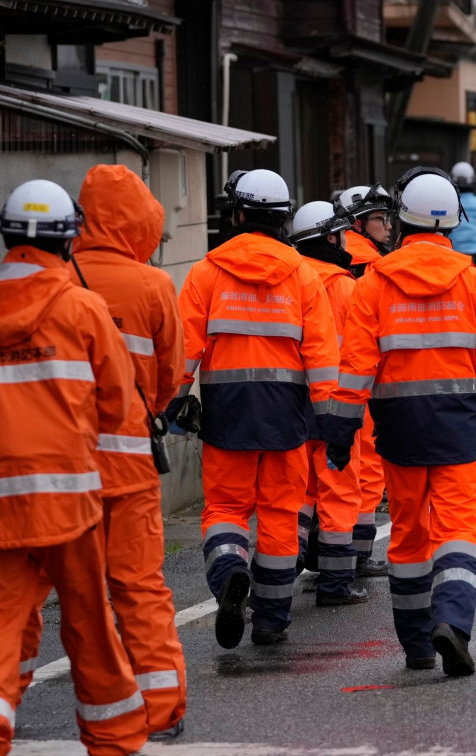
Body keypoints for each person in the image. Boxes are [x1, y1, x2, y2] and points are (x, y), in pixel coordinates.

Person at [0, 180, 146, 756]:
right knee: (88, 626)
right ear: (67, 241)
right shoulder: (80, 307)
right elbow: (117, 403)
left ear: (6, 233)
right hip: (69, 498)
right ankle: (114, 742)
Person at [323, 167, 476, 676]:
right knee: (459, 529)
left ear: (402, 221)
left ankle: (416, 646)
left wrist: (342, 433)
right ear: (452, 224)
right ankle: (452, 622)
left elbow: (356, 366)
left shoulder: (374, 285)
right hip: (456, 431)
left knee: (409, 536)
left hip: (399, 432)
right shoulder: (475, 284)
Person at [13, 165, 186, 739]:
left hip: (59, 466)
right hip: (130, 463)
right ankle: (160, 709)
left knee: (31, 591)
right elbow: (168, 378)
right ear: (142, 220)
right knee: (137, 585)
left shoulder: (55, 281)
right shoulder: (155, 285)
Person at [169, 169, 339, 648]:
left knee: (225, 508)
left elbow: (185, 350)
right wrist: (328, 417)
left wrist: (173, 402)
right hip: (288, 416)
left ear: (238, 214)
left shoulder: (207, 272)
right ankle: (270, 620)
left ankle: (228, 576)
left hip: (227, 413)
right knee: (282, 516)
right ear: (283, 219)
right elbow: (323, 355)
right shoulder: (304, 275)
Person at [289, 200, 371, 606]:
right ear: (328, 239)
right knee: (339, 489)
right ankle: (336, 584)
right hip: (337, 403)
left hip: (290, 402)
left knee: (298, 489)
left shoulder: (290, 281)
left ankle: (284, 562)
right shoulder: (346, 287)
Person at [333, 185, 392, 578]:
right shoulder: (370, 265)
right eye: (378, 218)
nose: (387, 226)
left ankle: (326, 552)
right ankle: (357, 552)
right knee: (367, 465)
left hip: (322, 376)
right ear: (358, 222)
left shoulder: (331, 257)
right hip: (361, 375)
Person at [338, 184, 393, 278]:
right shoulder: (374, 267)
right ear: (358, 225)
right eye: (381, 218)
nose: (389, 226)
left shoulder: (330, 257)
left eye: (388, 218)